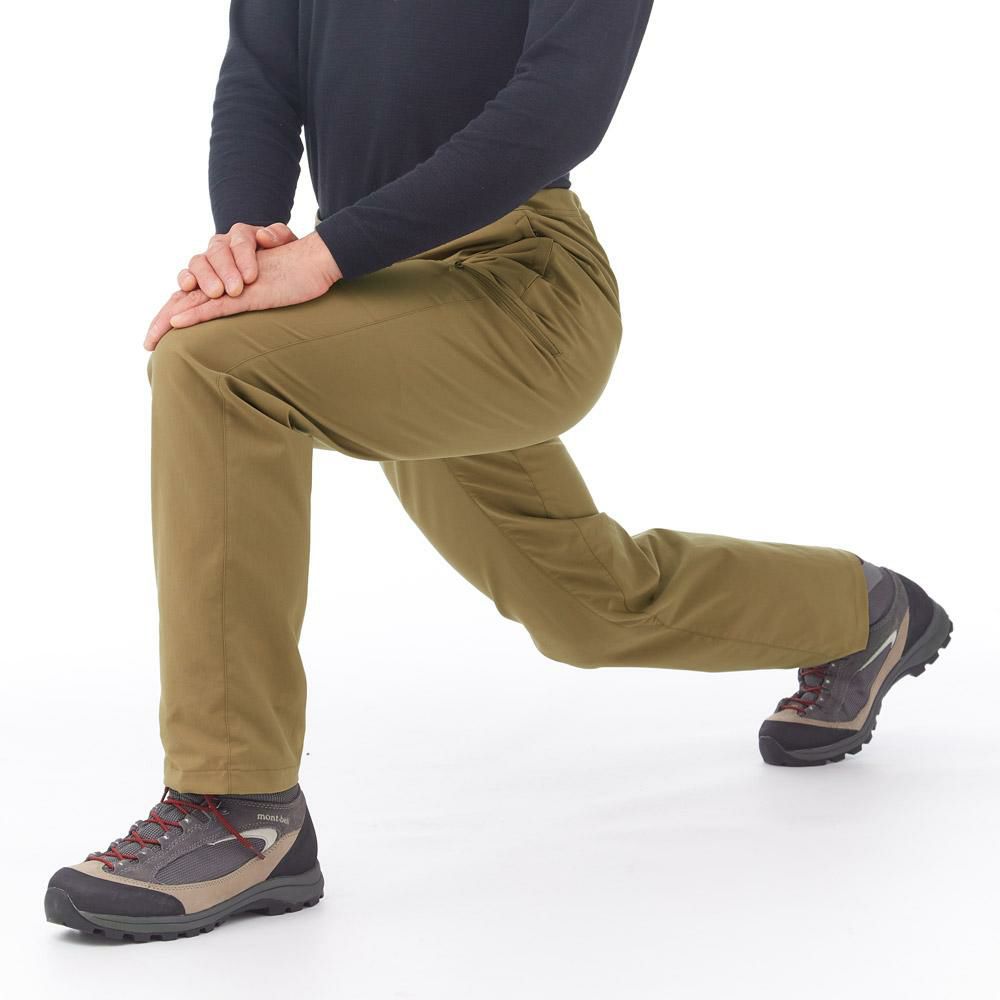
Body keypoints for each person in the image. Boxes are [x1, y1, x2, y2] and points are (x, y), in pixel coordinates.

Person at [46, 0, 952, 942]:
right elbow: (261, 76)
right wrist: (245, 241)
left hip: (519, 283)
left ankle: (238, 807)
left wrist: (326, 255)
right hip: (373, 282)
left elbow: (563, 102)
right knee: (586, 605)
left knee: (211, 370)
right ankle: (861, 612)